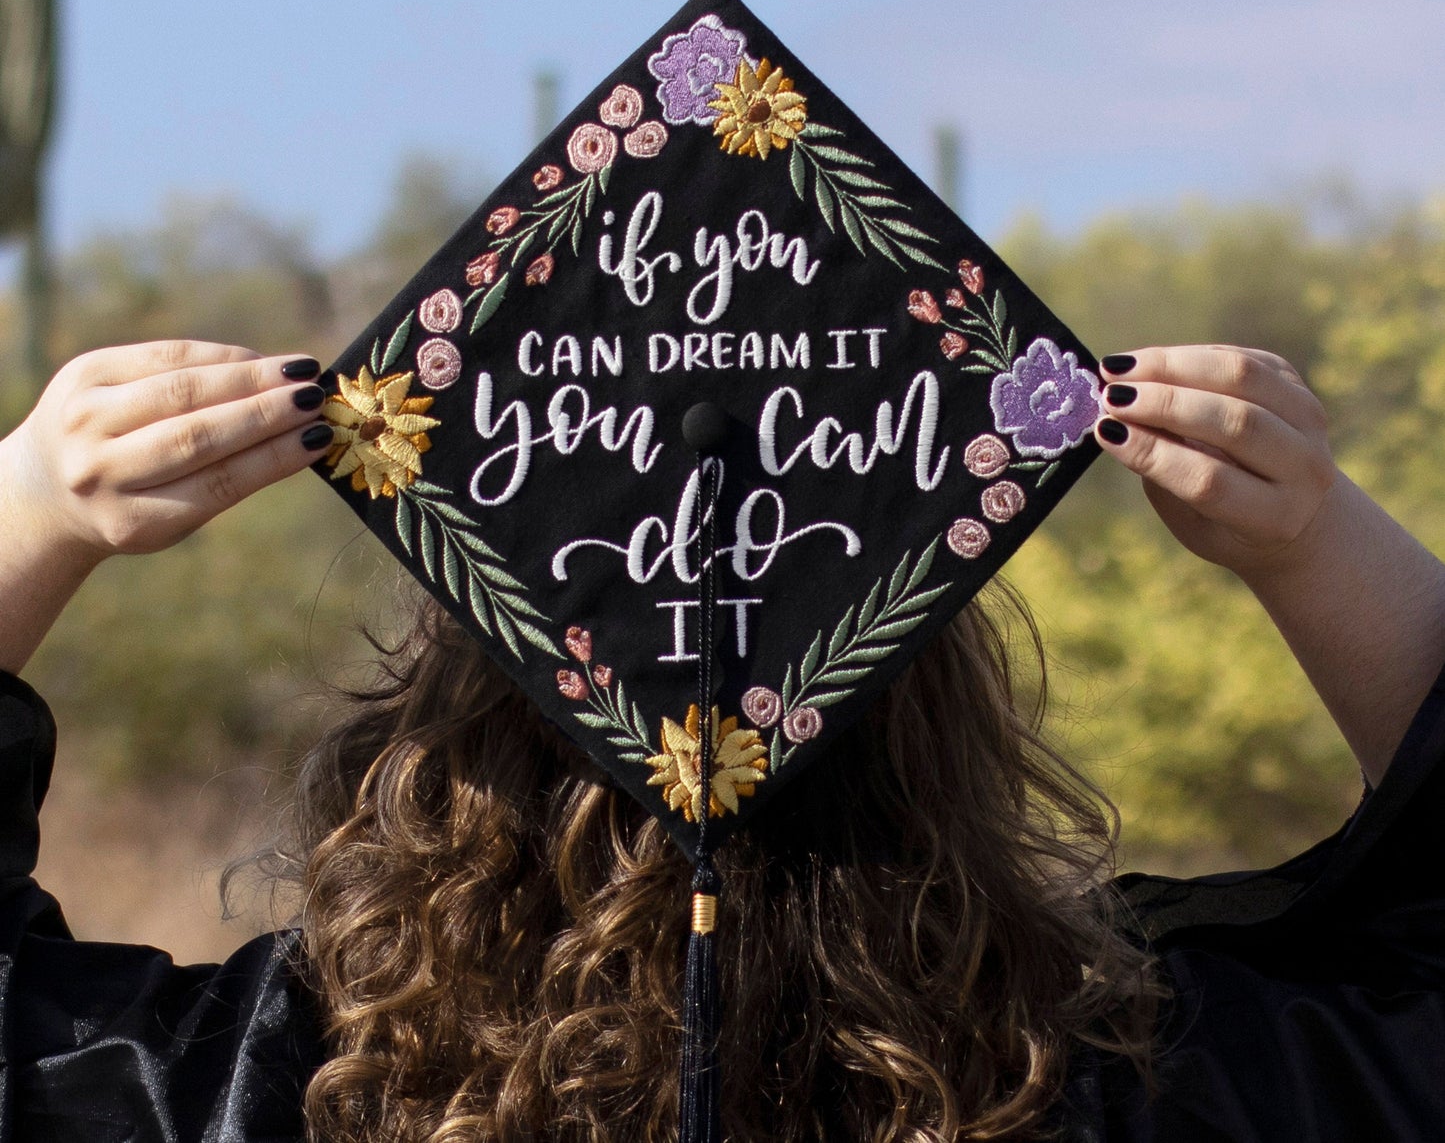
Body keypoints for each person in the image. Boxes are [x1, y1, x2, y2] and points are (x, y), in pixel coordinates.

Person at [0, 335, 1442, 1141]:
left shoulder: (290, 1093)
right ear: (930, 713)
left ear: (450, 723)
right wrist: (1309, 537)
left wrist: (35, 506)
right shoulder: (1121, 1084)